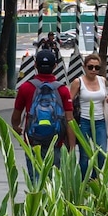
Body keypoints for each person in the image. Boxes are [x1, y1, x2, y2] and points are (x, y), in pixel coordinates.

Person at [11, 49, 74, 183]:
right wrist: (72, 147)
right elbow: (69, 120)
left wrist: (16, 127)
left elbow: (16, 114)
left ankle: (37, 203)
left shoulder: (26, 88)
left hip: (33, 141)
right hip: (56, 141)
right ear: (55, 66)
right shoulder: (62, 89)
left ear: (35, 65)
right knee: (53, 181)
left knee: (36, 179)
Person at [70, 53, 108, 179]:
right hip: (83, 121)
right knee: (84, 156)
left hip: (100, 121)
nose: (94, 70)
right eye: (90, 67)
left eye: (97, 68)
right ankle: (82, 182)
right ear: (84, 67)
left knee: (102, 154)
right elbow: (68, 102)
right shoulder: (78, 82)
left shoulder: (102, 80)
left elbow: (103, 97)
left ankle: (94, 179)